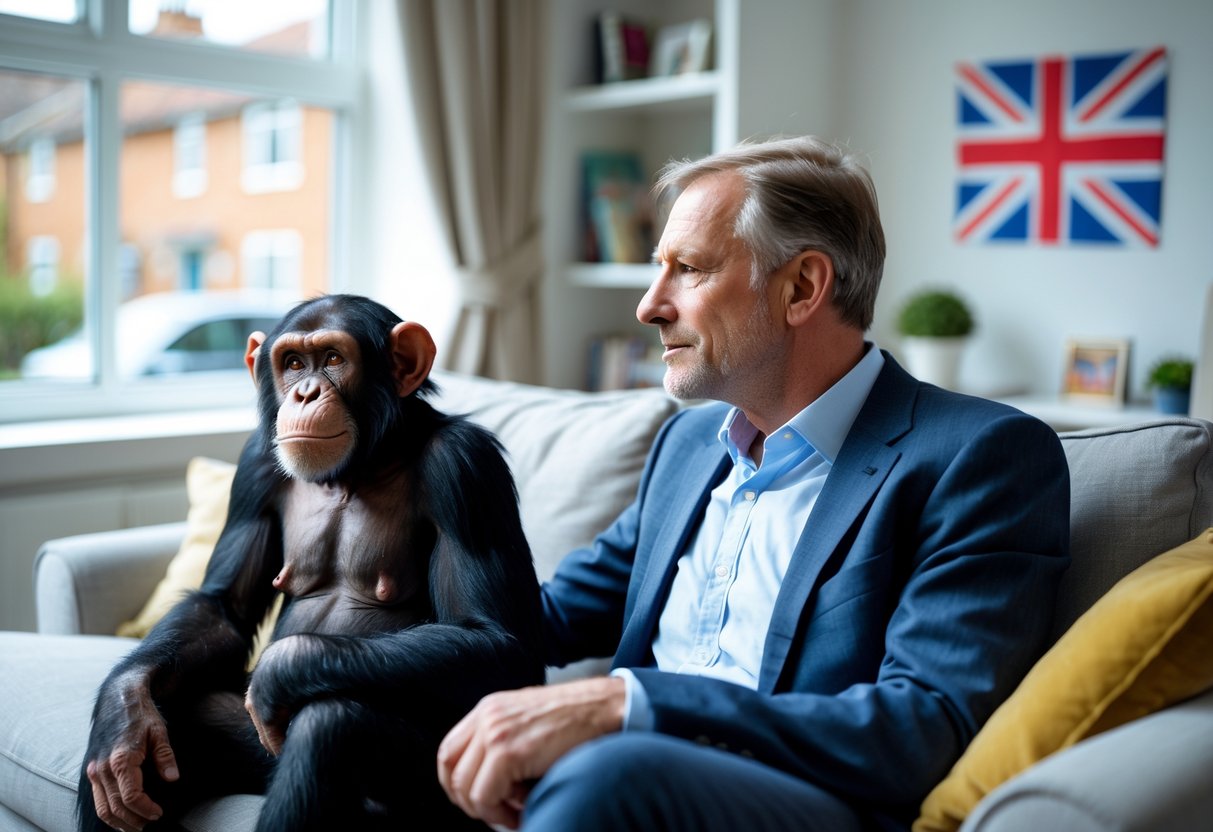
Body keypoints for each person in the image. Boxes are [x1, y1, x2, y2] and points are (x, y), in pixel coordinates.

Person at [436, 135, 1071, 831]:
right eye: (658, 270)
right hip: (615, 784)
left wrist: (628, 704)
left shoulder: (979, 456)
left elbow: (919, 725)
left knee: (607, 770)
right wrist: (338, 639)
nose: (649, 306)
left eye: (688, 269)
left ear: (801, 287)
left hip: (801, 801)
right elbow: (544, 616)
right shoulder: (686, 445)